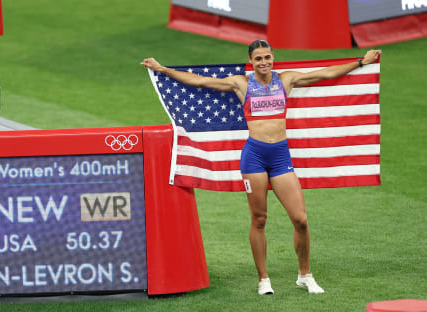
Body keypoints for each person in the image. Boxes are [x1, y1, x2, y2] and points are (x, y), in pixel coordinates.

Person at [142, 40, 382, 295]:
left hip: (280, 156)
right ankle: (263, 279)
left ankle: (305, 275)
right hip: (254, 156)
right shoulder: (241, 84)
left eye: (267, 57)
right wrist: (163, 69)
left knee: (300, 219)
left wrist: (360, 62)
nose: (264, 62)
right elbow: (199, 81)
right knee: (259, 219)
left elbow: (324, 73)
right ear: (251, 62)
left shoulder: (286, 80)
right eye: (258, 59)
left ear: (273, 57)